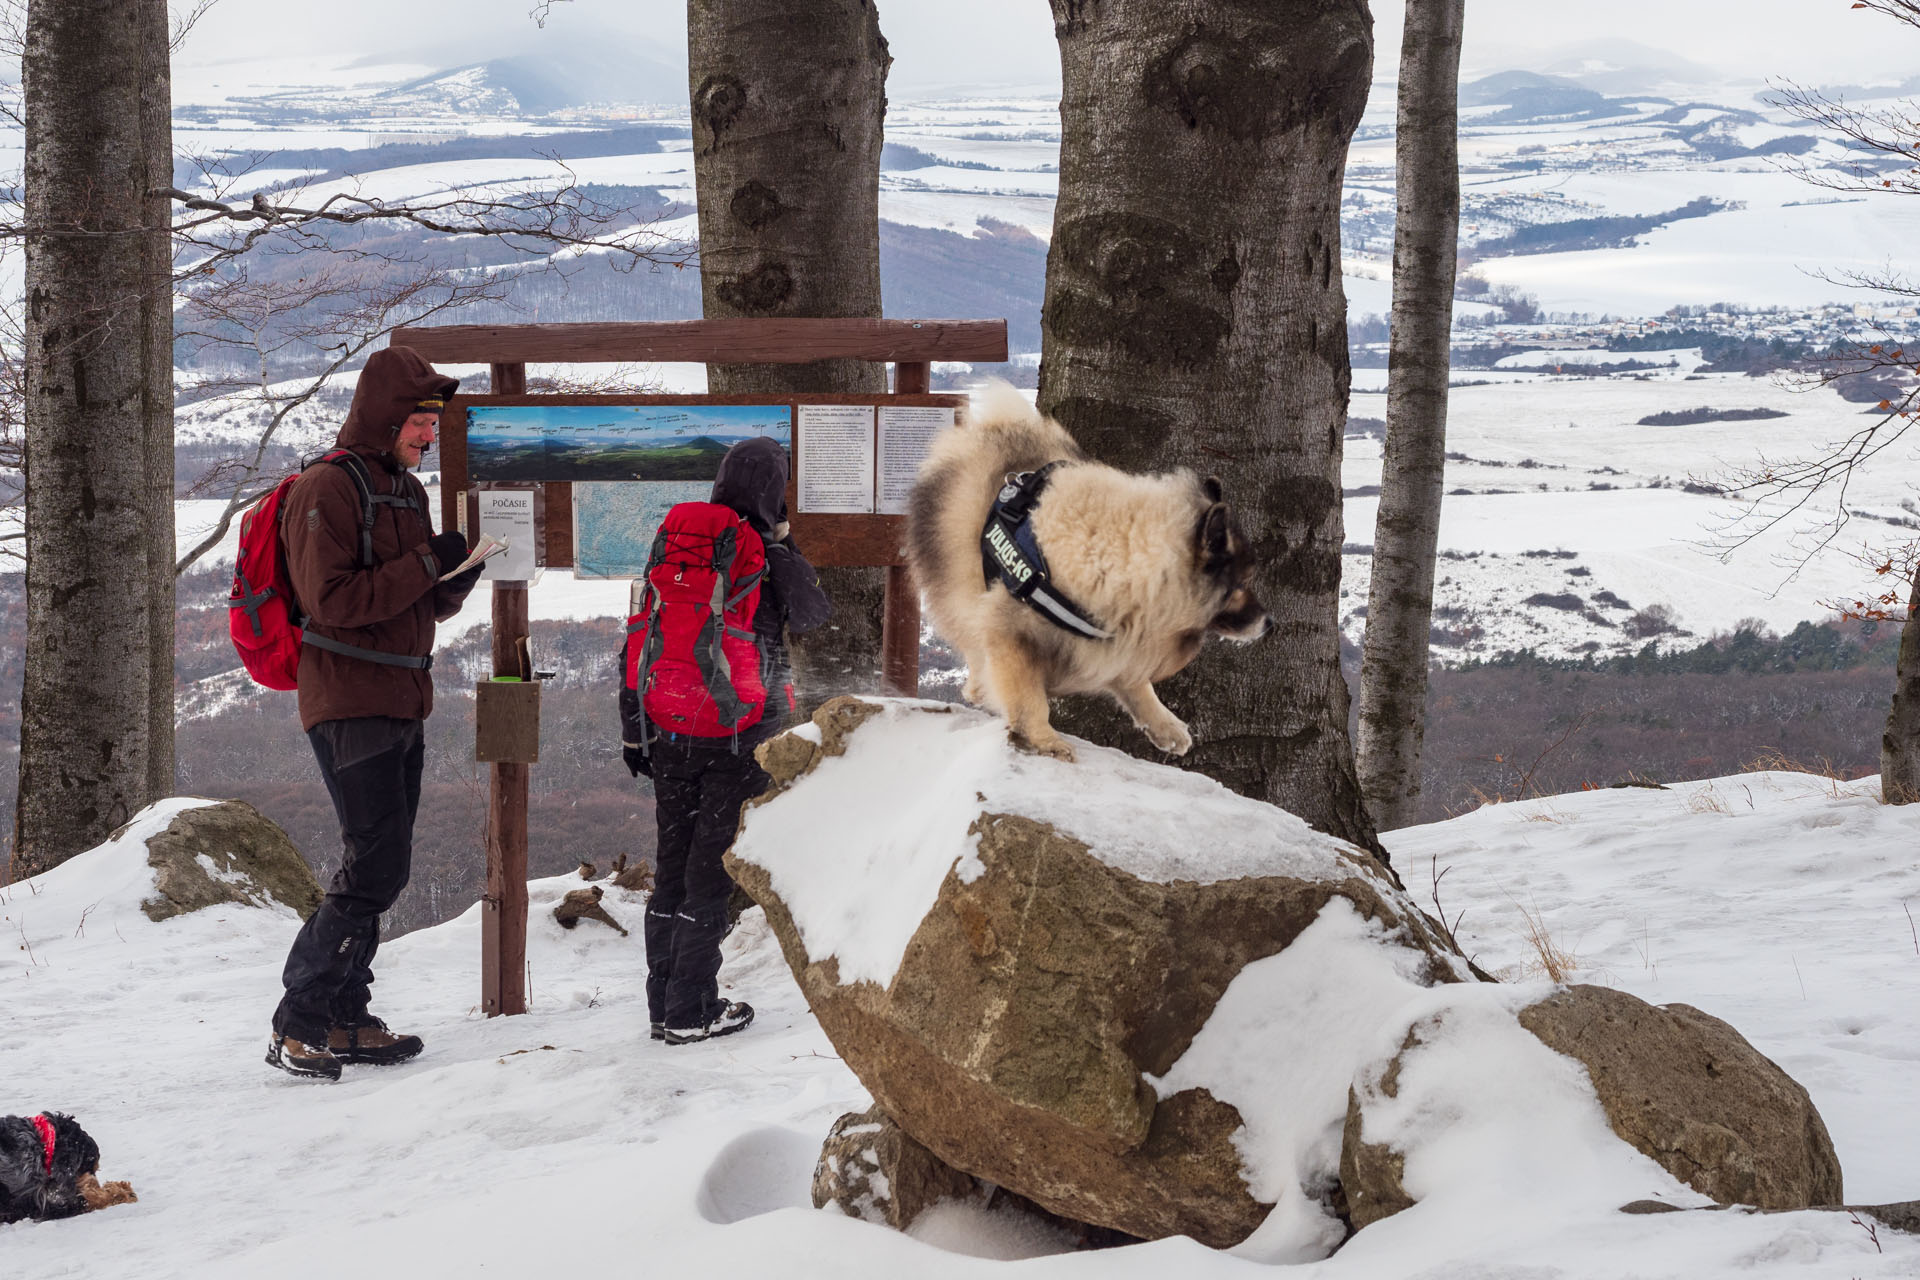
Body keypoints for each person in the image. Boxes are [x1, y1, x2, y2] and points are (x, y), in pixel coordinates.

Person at [265, 345, 485, 1081]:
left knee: (381, 863)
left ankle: (346, 1017)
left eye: (432, 422)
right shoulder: (327, 488)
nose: (428, 435)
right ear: (387, 416)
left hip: (402, 694)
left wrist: (454, 578)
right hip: (347, 697)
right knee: (378, 863)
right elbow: (332, 602)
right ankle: (299, 1020)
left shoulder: (405, 492)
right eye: (420, 421)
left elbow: (411, 600)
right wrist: (428, 565)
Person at [620, 437, 830, 1045]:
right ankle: (691, 1011)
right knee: (708, 876)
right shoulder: (764, 552)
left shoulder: (680, 544)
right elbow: (814, 613)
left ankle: (663, 1007)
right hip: (735, 737)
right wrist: (785, 543)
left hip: (666, 732)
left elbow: (644, 636)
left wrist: (635, 734)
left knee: (671, 870)